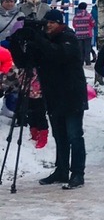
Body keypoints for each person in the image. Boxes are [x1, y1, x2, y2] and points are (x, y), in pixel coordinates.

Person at [27, 10, 87, 189]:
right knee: (60, 136)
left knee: (74, 135)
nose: (49, 25)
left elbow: (58, 55)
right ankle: (61, 170)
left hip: (72, 95)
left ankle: (77, 173)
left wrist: (38, 39)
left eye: (53, 22)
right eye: (47, 22)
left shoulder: (69, 37)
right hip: (53, 96)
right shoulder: (46, 40)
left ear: (60, 23)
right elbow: (30, 60)